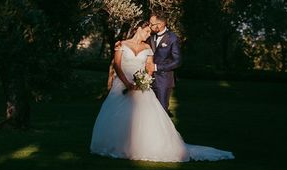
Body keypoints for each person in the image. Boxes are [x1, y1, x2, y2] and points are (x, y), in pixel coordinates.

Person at [90, 19, 234, 162]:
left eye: (149, 33)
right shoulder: (121, 44)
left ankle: (143, 147)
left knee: (145, 118)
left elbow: (149, 68)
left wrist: (143, 81)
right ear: (138, 28)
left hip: (140, 88)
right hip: (121, 86)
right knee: (117, 116)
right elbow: (117, 65)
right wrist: (127, 83)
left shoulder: (147, 48)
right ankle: (117, 146)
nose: (148, 35)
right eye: (146, 31)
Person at [149, 13, 180, 117]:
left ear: (161, 24)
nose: (150, 26)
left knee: (162, 111)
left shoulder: (172, 38)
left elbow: (177, 61)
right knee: (148, 110)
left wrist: (157, 67)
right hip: (148, 79)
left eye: (152, 24)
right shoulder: (150, 36)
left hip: (164, 81)